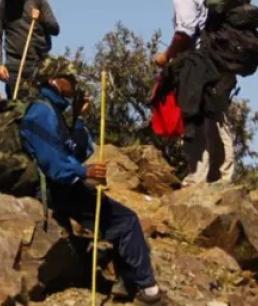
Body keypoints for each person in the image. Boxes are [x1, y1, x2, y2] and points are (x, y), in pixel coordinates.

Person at [19, 57, 161, 303]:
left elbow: (77, 150)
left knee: (120, 219)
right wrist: (83, 173)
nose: (74, 85)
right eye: (70, 80)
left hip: (62, 186)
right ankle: (146, 288)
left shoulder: (54, 111)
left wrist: (77, 117)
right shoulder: (41, 112)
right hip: (54, 190)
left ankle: (126, 283)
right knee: (126, 221)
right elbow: (54, 164)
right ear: (55, 80)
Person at [154, 0, 235, 186]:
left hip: (199, 63)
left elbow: (184, 33)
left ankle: (197, 176)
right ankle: (223, 175)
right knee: (217, 115)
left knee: (194, 114)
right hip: (221, 61)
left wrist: (166, 56)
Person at [0, 0, 60, 99]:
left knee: (40, 108)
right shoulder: (1, 6)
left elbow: (55, 29)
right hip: (15, 68)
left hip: (40, 66)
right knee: (17, 110)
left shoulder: (38, 1)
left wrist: (42, 19)